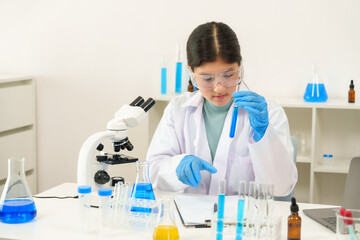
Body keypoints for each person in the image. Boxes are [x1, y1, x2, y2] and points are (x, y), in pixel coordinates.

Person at [146, 22, 297, 196]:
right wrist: (177, 166)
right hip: (188, 219)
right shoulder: (177, 110)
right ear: (191, 73)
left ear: (239, 68)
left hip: (242, 220)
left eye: (228, 75)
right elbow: (152, 171)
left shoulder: (269, 113)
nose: (219, 88)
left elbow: (282, 188)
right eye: (207, 78)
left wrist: (265, 136)